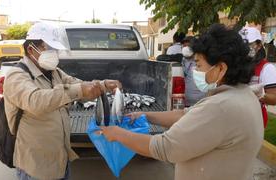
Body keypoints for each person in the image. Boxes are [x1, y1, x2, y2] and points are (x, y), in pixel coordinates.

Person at [99, 24, 264, 180]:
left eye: (198, 65)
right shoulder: (243, 95)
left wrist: (118, 134)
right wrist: (146, 114)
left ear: (221, 68)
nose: (195, 71)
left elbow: (165, 148)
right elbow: (186, 115)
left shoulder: (221, 107)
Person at [3, 22, 121, 180]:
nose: (55, 54)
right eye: (50, 49)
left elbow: (77, 84)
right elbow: (35, 101)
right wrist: (78, 90)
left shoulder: (54, 72)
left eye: (56, 49)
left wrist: (103, 85)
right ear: (31, 49)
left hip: (60, 161)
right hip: (36, 168)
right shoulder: (16, 76)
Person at [240, 26, 276, 128]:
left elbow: (274, 98)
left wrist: (261, 95)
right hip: (236, 117)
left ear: (259, 45)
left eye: (249, 44)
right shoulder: (239, 64)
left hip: (254, 121)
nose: (246, 48)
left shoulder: (267, 68)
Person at [181, 36, 206, 106]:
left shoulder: (202, 60)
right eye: (184, 46)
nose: (185, 48)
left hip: (200, 101)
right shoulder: (183, 60)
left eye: (188, 46)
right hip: (186, 101)